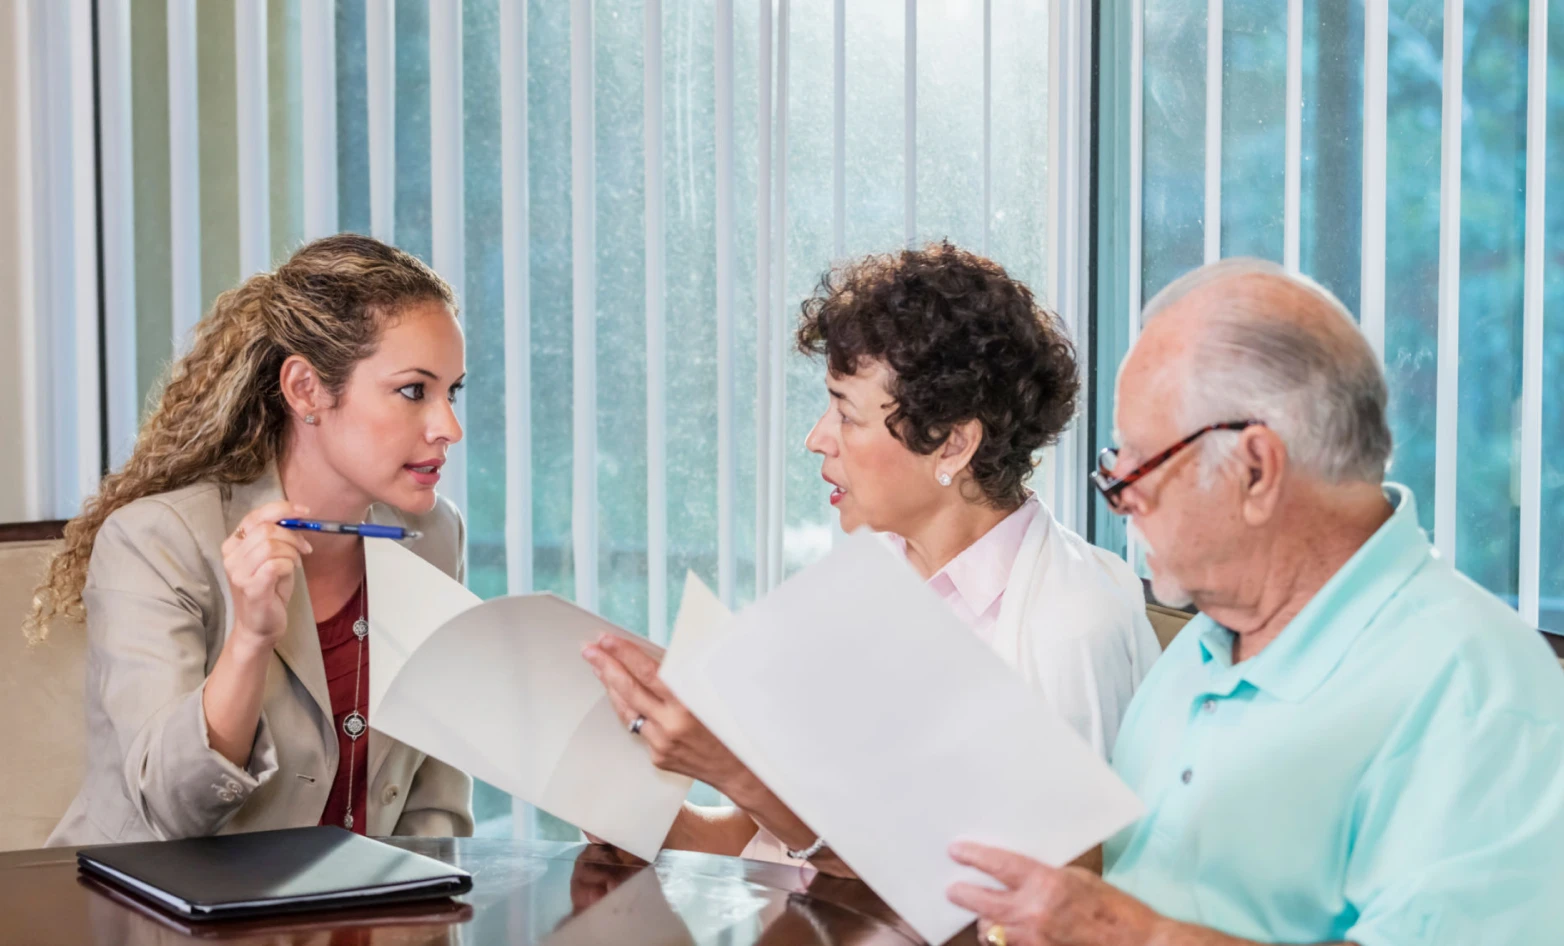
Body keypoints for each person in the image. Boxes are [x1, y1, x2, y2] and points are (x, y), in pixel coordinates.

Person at [948, 258, 1564, 946]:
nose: (1120, 500)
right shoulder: (1205, 644)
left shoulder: (1481, 695)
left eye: (1138, 468)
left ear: (1255, 470)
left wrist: (1137, 938)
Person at [583, 242, 1161, 871]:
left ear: (953, 444)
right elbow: (787, 845)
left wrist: (735, 771)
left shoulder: (1070, 626)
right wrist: (657, 822)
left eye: (846, 414)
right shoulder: (872, 578)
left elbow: (1038, 910)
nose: (816, 439)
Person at [33, 234, 475, 844]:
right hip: (149, 921)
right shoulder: (155, 542)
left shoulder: (431, 534)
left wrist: (427, 912)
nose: (448, 427)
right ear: (305, 390)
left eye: (451, 391)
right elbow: (170, 809)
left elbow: (434, 791)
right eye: (412, 391)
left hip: (359, 919)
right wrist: (251, 638)